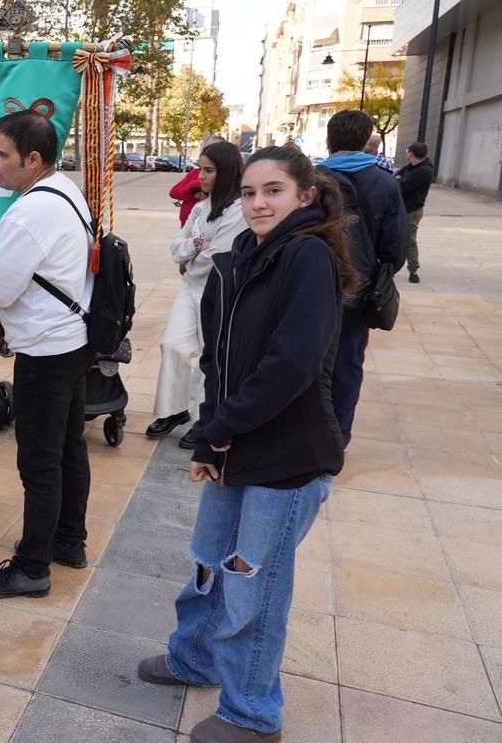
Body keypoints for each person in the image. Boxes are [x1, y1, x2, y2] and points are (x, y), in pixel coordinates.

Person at [137, 145, 354, 743]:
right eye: (251, 192)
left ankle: (253, 714)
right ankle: (195, 659)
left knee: (253, 583)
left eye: (274, 191)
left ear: (305, 196)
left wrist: (220, 430)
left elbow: (292, 366)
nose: (259, 203)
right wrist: (210, 435)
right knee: (210, 561)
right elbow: (219, 362)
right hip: (236, 442)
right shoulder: (238, 258)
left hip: (287, 456)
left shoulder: (307, 256)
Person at [0, 109, 94, 599]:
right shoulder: (66, 190)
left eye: (2, 156)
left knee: (39, 462)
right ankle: (69, 541)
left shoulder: (28, 211)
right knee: (68, 448)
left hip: (46, 348)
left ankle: (32, 566)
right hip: (73, 340)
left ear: (33, 159)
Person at [146, 141, 247, 448]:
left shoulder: (238, 209)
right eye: (200, 168)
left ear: (226, 172)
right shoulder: (203, 206)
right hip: (191, 287)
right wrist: (194, 246)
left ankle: (205, 418)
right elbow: (177, 248)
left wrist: (195, 248)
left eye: (208, 170)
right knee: (173, 345)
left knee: (211, 355)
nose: (199, 176)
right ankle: (173, 409)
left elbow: (217, 256)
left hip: (218, 291)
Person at [318, 110, 407, 444]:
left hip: (311, 288)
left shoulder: (311, 181)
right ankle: (336, 438)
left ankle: (301, 433)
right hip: (357, 291)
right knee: (346, 365)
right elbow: (395, 248)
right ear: (366, 141)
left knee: (304, 359)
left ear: (328, 141)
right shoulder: (385, 183)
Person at [396, 142, 433, 284]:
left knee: (409, 239)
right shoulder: (410, 167)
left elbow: (402, 186)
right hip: (403, 208)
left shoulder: (423, 171)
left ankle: (413, 270)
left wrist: (398, 180)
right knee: (396, 237)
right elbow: (396, 177)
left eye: (407, 151)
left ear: (411, 153)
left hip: (413, 210)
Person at [169, 135, 226, 226]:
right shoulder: (195, 172)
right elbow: (174, 192)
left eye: (211, 149)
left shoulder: (225, 175)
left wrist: (192, 187)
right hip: (186, 224)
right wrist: (193, 192)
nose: (206, 153)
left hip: (206, 226)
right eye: (204, 149)